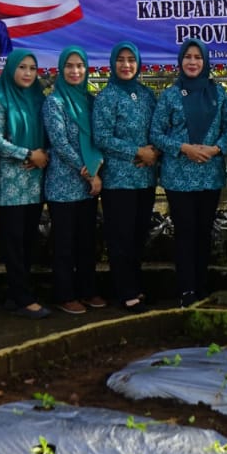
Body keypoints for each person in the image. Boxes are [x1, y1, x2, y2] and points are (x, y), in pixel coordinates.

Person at [151, 38, 227, 307]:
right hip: (179, 179)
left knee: (204, 233)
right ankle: (186, 290)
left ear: (205, 61)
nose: (193, 62)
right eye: (188, 57)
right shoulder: (170, 95)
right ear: (180, 61)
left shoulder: (219, 94)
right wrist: (184, 148)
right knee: (185, 233)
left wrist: (215, 149)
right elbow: (156, 134)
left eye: (198, 57)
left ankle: (202, 288)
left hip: (209, 176)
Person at [92, 42, 160, 312]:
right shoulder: (107, 97)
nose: (126, 65)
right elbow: (102, 137)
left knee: (138, 236)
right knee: (121, 237)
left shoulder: (146, 94)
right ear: (113, 63)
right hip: (119, 180)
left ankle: (136, 286)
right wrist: (137, 151)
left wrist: (154, 151)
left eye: (131, 59)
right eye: (120, 59)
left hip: (145, 179)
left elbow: (158, 129)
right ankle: (126, 291)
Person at [0, 48, 51, 318]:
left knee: (28, 240)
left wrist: (43, 154)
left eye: (32, 68)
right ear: (11, 68)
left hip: (34, 182)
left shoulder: (38, 98)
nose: (27, 73)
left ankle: (16, 295)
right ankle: (24, 299)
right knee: (13, 241)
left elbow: (50, 134)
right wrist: (27, 154)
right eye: (22, 67)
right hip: (10, 184)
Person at [43, 46, 105, 315]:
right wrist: (88, 172)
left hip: (89, 185)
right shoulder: (54, 102)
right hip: (64, 184)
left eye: (80, 65)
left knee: (86, 242)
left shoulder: (91, 101)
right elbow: (60, 143)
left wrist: (94, 171)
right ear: (61, 69)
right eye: (69, 65)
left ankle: (87, 290)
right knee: (65, 243)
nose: (75, 71)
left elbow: (99, 137)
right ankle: (65, 294)